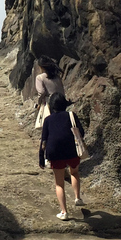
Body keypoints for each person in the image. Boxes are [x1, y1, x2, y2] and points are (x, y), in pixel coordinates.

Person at [39, 92, 86, 221]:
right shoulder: (71, 115)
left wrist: (41, 158)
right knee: (74, 173)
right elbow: (81, 132)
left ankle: (64, 212)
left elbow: (43, 140)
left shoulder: (48, 120)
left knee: (59, 184)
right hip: (71, 150)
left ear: (51, 106)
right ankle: (77, 198)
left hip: (55, 152)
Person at [34, 56, 65, 128]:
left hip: (50, 103)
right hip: (61, 101)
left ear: (41, 67)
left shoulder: (40, 77)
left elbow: (41, 92)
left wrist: (39, 103)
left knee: (50, 125)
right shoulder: (57, 76)